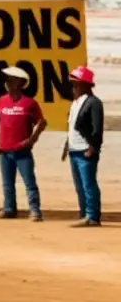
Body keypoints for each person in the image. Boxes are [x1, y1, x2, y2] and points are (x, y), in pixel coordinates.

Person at [0, 65, 46, 222]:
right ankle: (9, 209)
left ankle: (35, 210)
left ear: (20, 83)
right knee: (7, 183)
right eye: (7, 80)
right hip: (4, 150)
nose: (7, 82)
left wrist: (32, 140)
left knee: (29, 182)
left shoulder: (29, 103)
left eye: (11, 80)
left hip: (22, 150)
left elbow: (42, 122)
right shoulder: (1, 101)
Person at [64, 65, 103, 228]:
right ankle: (84, 213)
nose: (74, 87)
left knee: (88, 184)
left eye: (77, 83)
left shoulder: (94, 103)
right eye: (73, 84)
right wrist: (67, 146)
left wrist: (93, 147)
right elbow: (72, 126)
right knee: (79, 185)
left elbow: (97, 127)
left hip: (85, 150)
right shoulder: (75, 103)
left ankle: (92, 216)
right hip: (74, 150)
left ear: (86, 85)